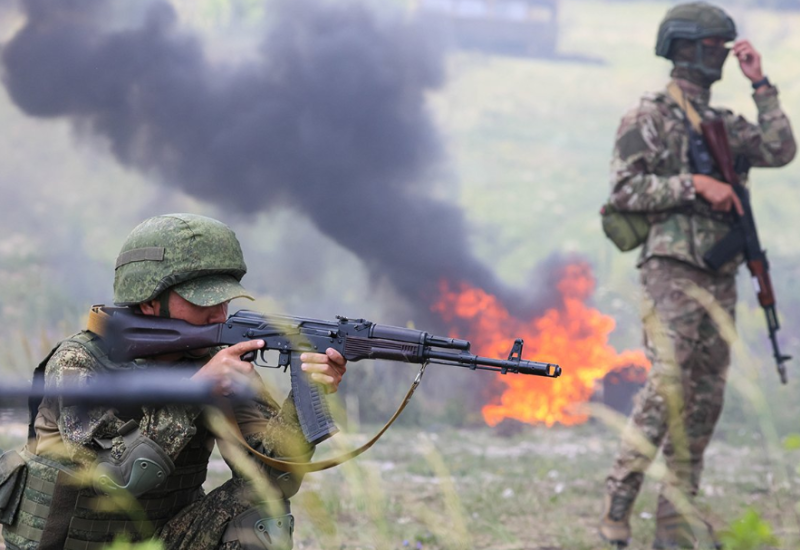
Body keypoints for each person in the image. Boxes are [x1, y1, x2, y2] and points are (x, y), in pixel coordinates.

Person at [0, 213, 347, 550]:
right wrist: (193, 392)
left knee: (263, 510)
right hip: (75, 544)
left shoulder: (218, 364)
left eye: (224, 300)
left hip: (164, 540)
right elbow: (118, 479)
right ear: (151, 302)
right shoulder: (79, 362)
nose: (220, 314)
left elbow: (274, 478)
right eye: (204, 301)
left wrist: (305, 397)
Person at [599, 2, 795, 548]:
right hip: (670, 272)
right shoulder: (650, 117)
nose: (719, 57)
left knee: (706, 397)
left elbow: (781, 150)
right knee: (667, 387)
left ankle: (676, 517)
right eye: (712, 47)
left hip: (720, 275)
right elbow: (623, 191)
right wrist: (694, 186)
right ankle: (616, 504)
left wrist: (762, 85)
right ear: (685, 47)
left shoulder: (724, 125)